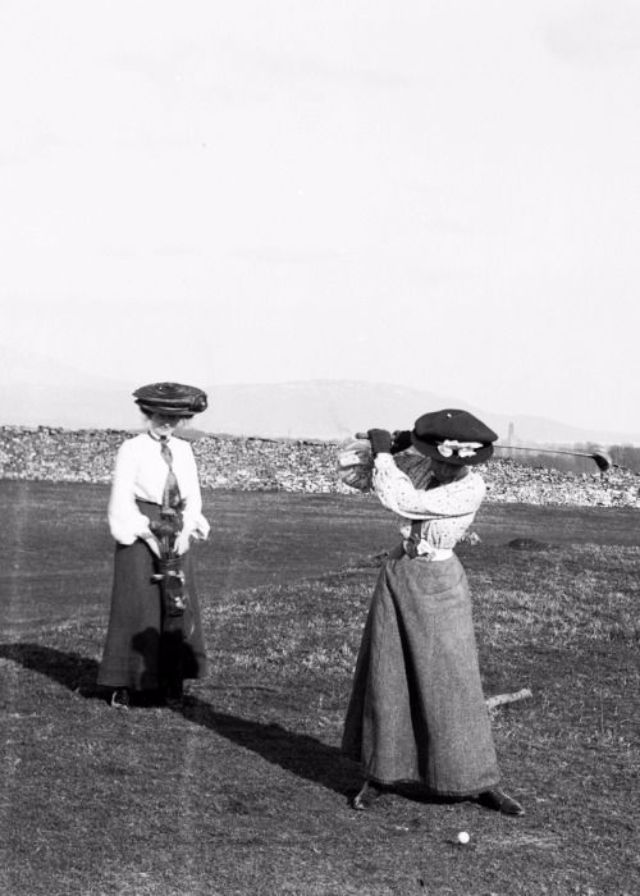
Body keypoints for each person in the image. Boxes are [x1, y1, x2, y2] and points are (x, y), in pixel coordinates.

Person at [341, 409, 525, 816]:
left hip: (441, 583)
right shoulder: (425, 466)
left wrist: (387, 455)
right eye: (438, 458)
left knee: (454, 679)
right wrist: (394, 446)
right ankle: (379, 774)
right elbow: (353, 478)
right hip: (398, 576)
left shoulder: (469, 489)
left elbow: (402, 499)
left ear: (469, 462)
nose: (441, 467)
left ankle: (476, 780)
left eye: (450, 462)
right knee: (387, 673)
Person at [97, 382, 210, 708]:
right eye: (161, 415)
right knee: (139, 605)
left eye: (174, 419)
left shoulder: (185, 451)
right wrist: (147, 535)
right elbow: (121, 501)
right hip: (141, 534)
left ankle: (171, 683)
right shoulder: (131, 449)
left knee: (176, 605)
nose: (167, 423)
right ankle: (130, 683)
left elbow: (193, 498)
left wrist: (185, 532)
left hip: (176, 530)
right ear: (149, 413)